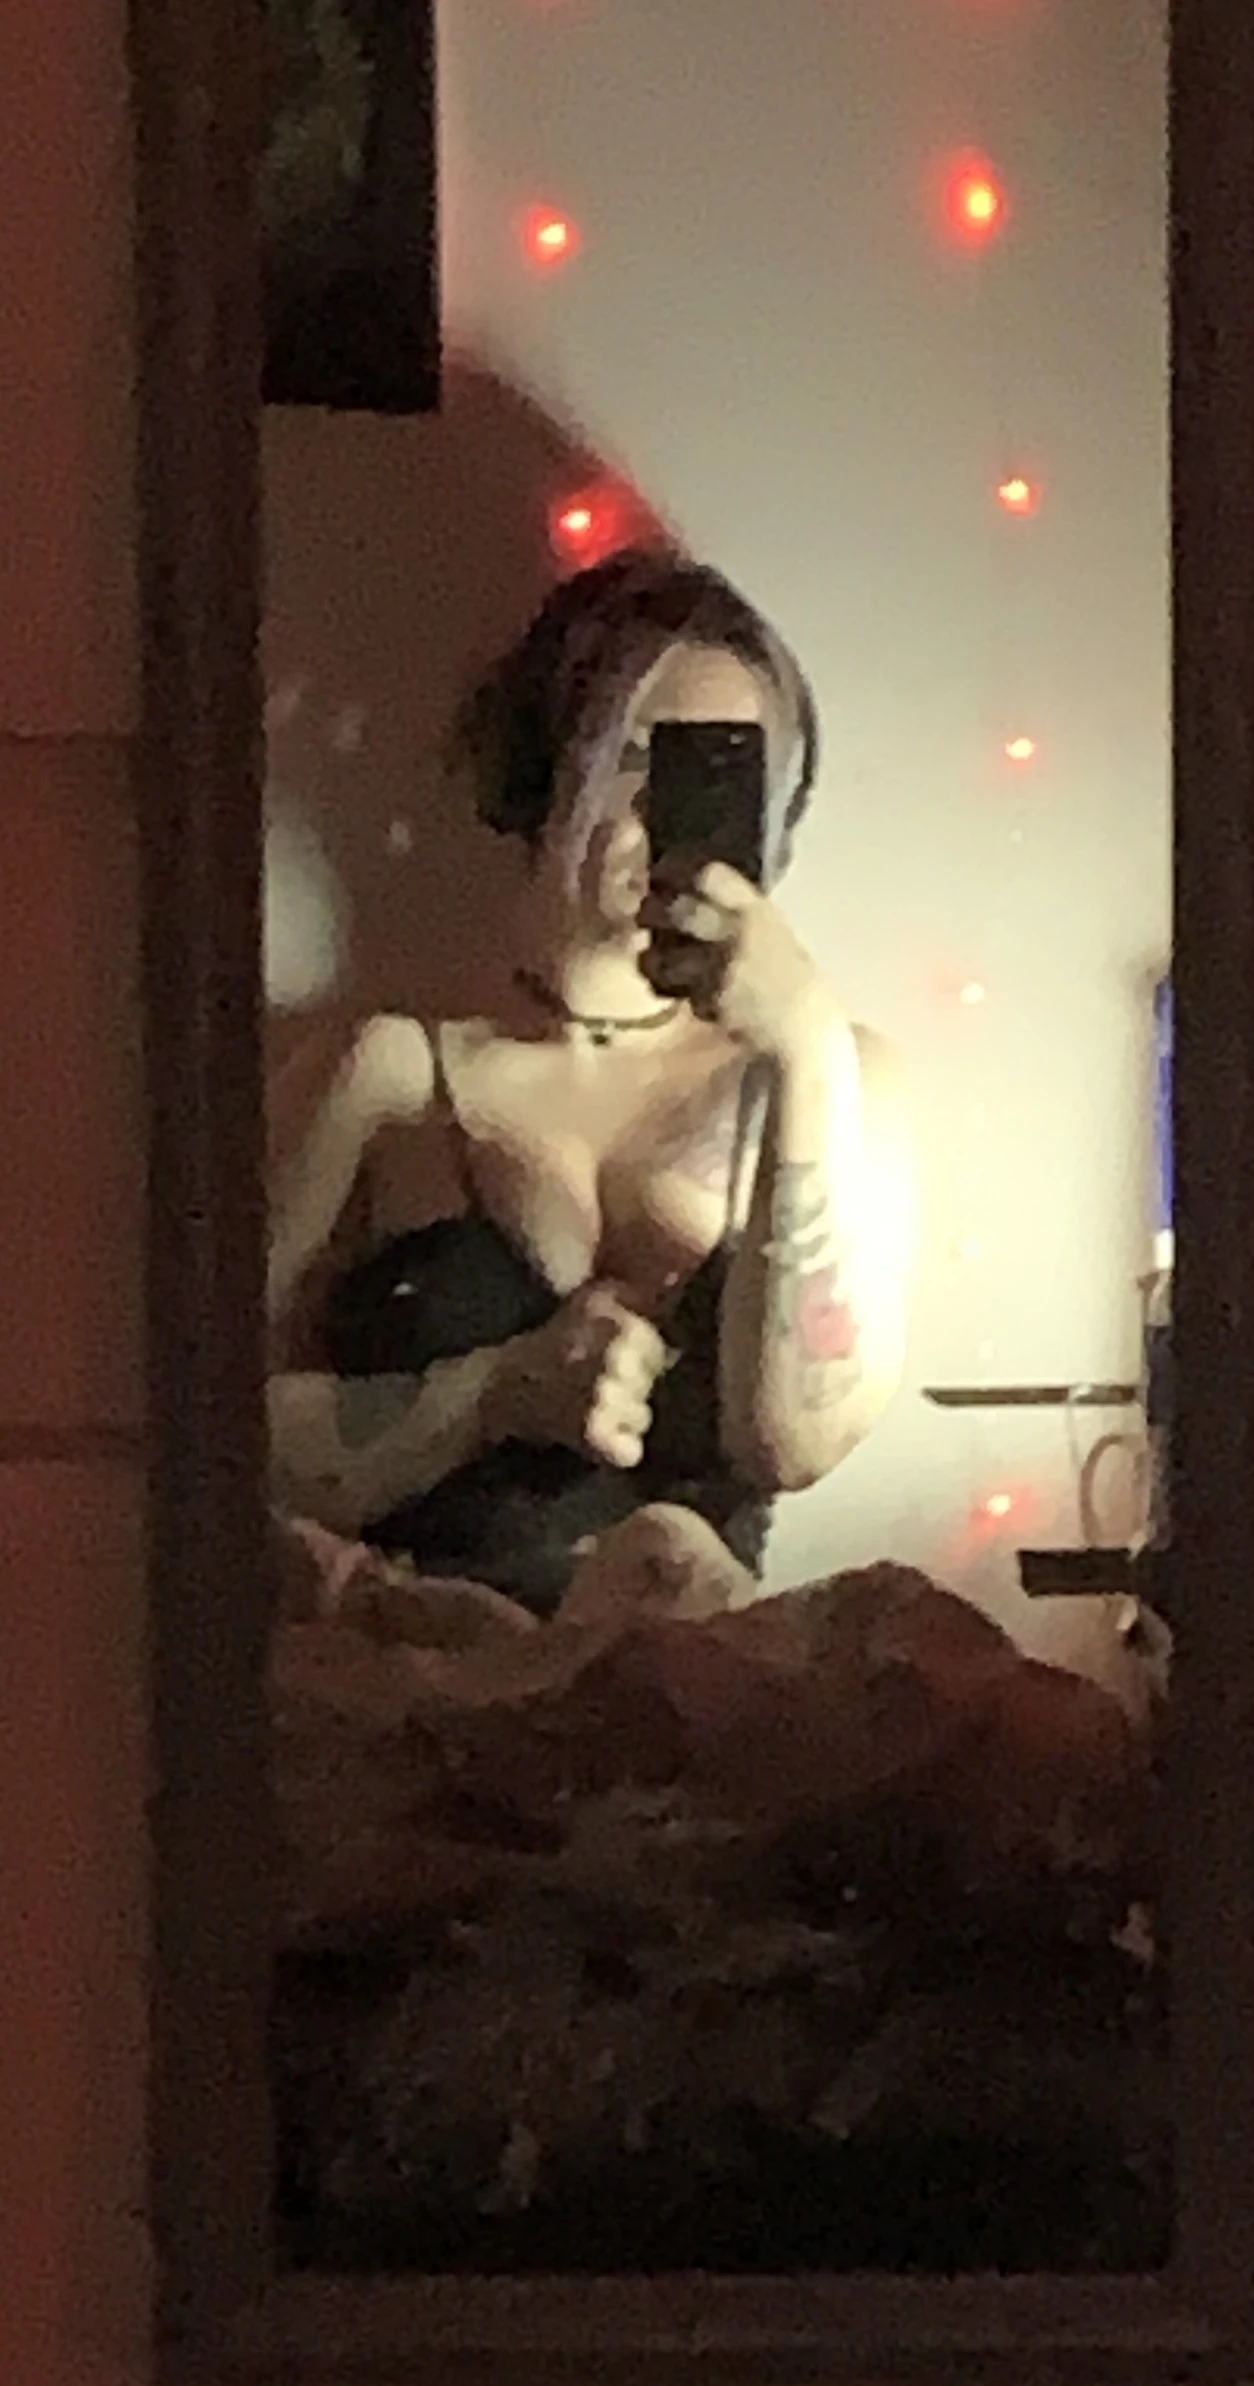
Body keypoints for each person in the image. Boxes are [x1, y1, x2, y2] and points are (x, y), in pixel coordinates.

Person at [266, 548, 917, 1620]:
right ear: (547, 760)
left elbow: (796, 1442)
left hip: (689, 1688)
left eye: (721, 769)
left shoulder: (832, 1080)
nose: (666, 809)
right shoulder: (387, 1077)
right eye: (634, 755)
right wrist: (495, 1392)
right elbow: (201, 1441)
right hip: (431, 1661)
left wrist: (803, 1044)